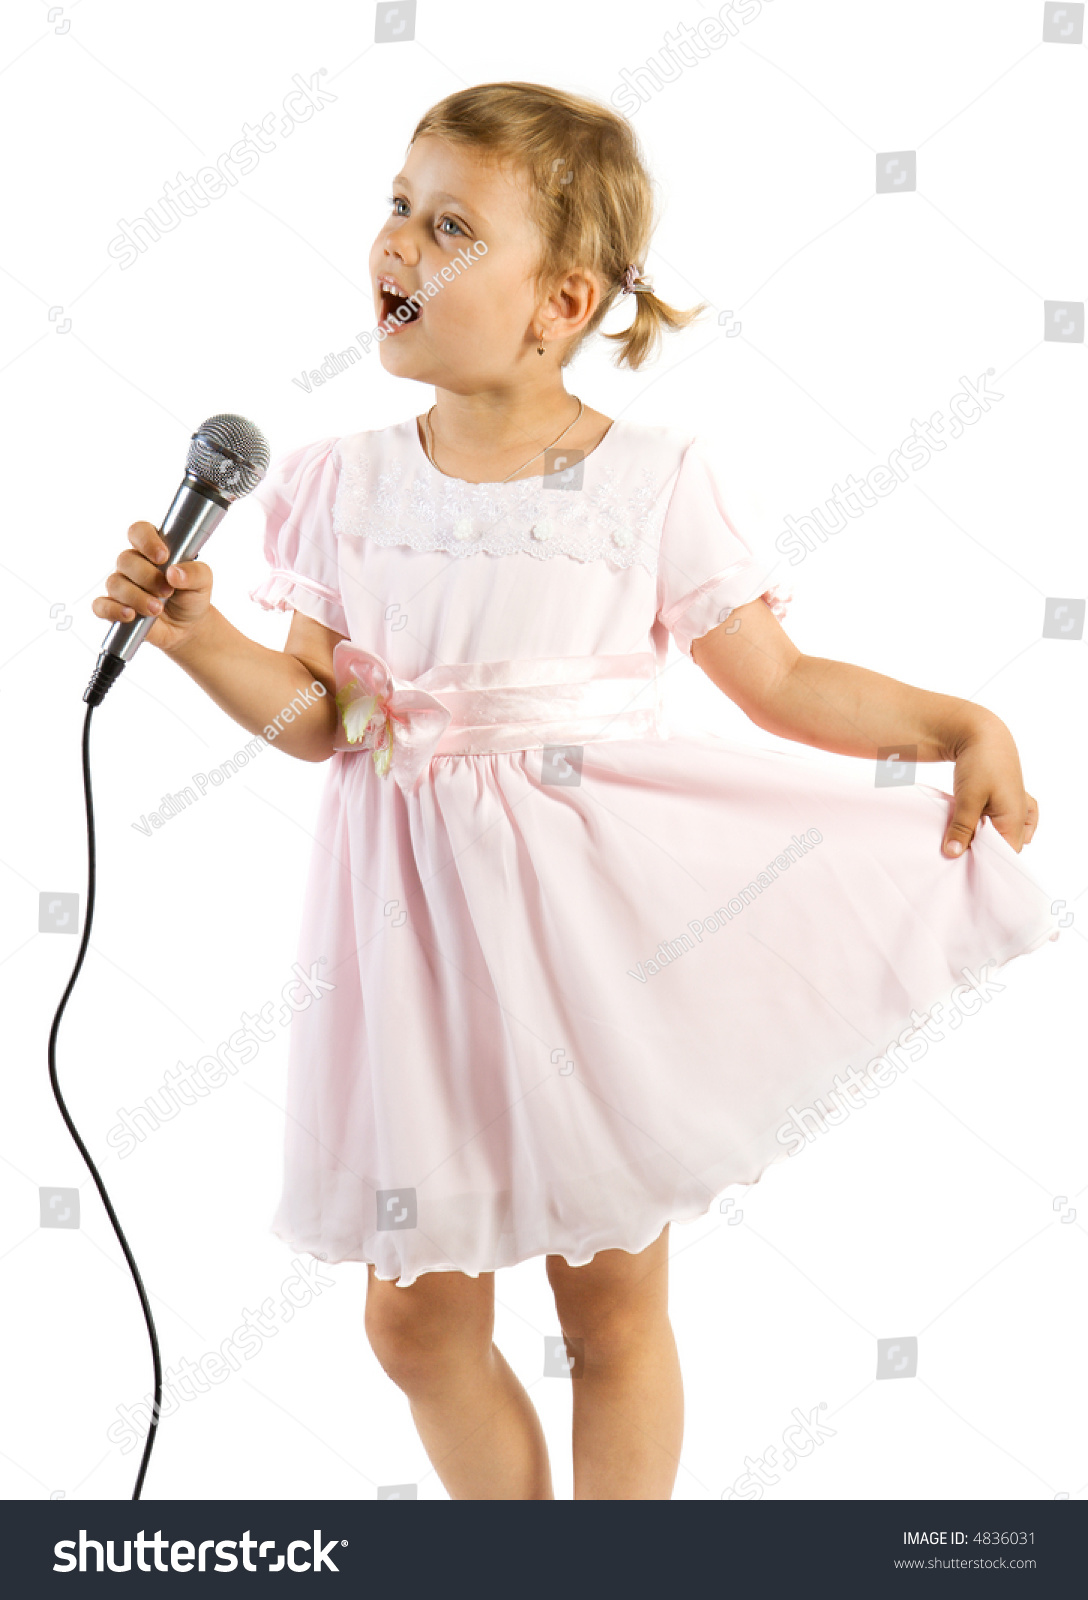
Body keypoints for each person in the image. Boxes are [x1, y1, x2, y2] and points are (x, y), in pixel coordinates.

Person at [92, 82, 1059, 1501]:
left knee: (608, 1308)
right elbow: (333, 719)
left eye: (450, 226)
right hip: (407, 949)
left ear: (558, 303)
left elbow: (779, 683)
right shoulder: (336, 484)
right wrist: (200, 638)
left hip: (597, 946)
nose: (401, 245)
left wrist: (955, 716)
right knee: (414, 1321)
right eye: (398, 209)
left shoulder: (650, 479)